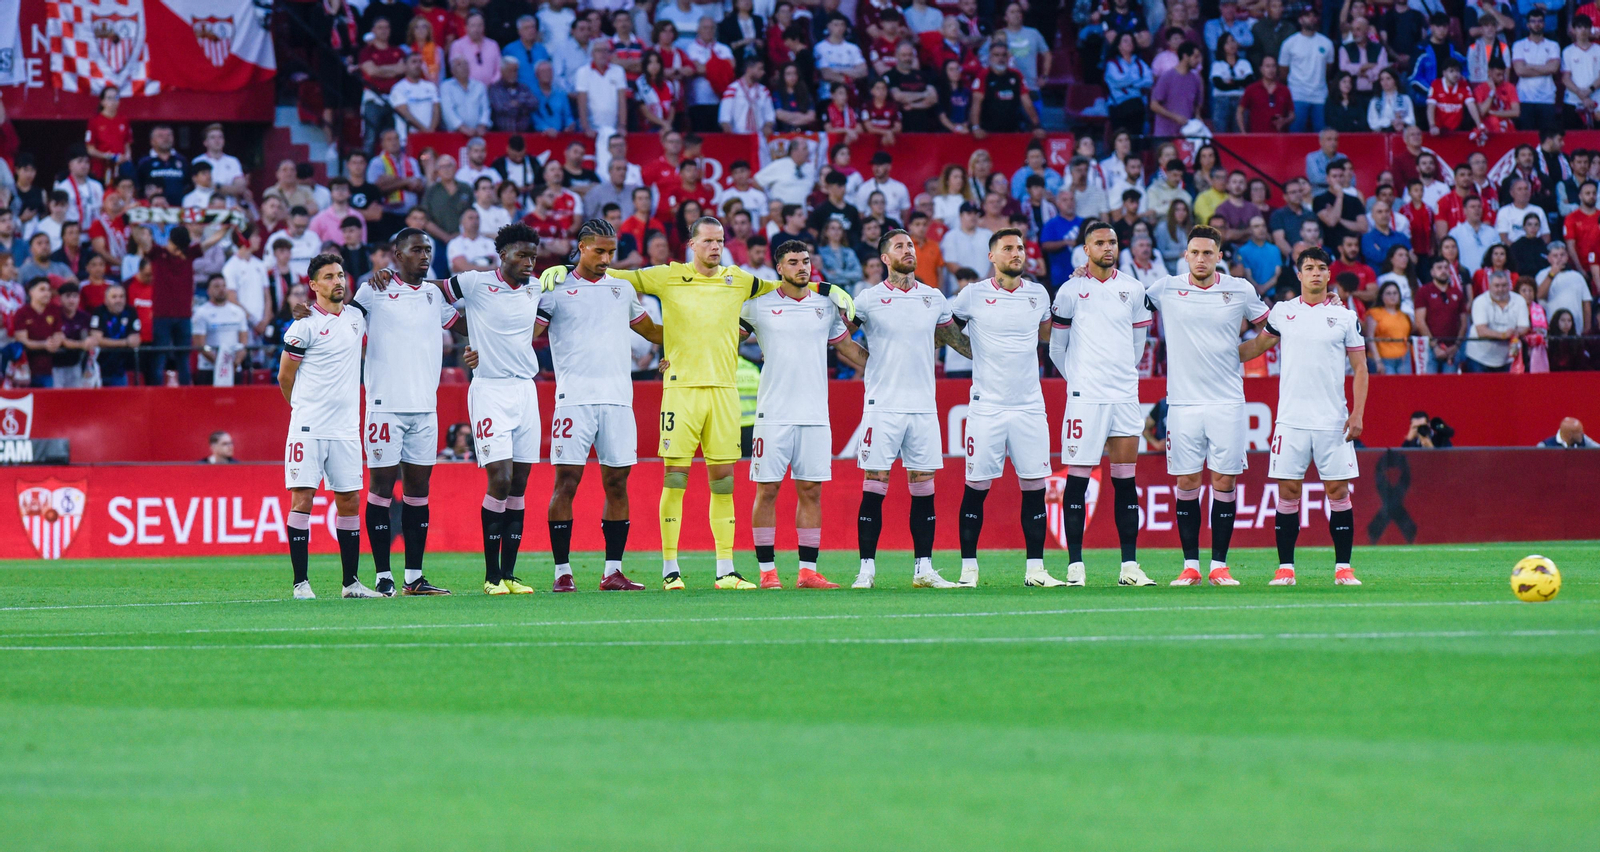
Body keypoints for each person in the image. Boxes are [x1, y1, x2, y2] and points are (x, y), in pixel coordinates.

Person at [538, 216, 853, 590]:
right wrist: (564, 267)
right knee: (675, 480)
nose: (715, 247)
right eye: (707, 241)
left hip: (723, 391)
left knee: (724, 483)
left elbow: (783, 283)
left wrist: (827, 287)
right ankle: (670, 569)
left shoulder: (739, 280)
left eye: (719, 240)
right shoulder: (667, 275)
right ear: (691, 244)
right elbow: (618, 277)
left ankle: (725, 570)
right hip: (681, 391)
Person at [374, 223, 545, 594]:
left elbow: (556, 311)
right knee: (499, 477)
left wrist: (477, 337)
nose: (530, 262)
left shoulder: (537, 287)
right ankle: (490, 576)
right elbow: (427, 290)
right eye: (522, 255)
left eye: (534, 256)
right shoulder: (474, 282)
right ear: (503, 255)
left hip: (526, 391)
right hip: (489, 390)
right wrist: (391, 277)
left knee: (520, 483)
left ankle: (510, 574)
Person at [534, 219, 663, 592]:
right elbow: (530, 334)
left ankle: (613, 571)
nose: (607, 258)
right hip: (573, 399)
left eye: (612, 252)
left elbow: (651, 331)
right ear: (581, 247)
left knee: (618, 483)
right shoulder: (554, 289)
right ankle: (562, 571)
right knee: (567, 483)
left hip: (619, 399)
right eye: (600, 251)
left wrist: (700, 333)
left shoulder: (621, 290)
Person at [1144, 226, 1272, 585]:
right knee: (1187, 480)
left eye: (1208, 253)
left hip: (1227, 400)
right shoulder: (1166, 287)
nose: (1201, 259)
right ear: (1185, 255)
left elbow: (1272, 326)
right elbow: (1122, 301)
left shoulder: (1239, 288)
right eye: (1195, 252)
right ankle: (1190, 566)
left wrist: (1241, 353)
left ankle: (1219, 565)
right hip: (1182, 402)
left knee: (1224, 480)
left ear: (1219, 256)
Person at [738, 240, 868, 589]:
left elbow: (847, 348)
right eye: (793, 262)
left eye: (806, 261)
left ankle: (807, 571)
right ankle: (767, 572)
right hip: (773, 414)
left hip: (815, 414)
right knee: (768, 490)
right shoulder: (758, 307)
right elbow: (724, 340)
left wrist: (886, 369)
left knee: (810, 490)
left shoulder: (825, 306)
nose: (802, 267)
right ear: (779, 268)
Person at [847, 229, 969, 590]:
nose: (909, 250)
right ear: (885, 258)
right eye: (900, 246)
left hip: (922, 407)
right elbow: (839, 336)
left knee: (923, 485)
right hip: (882, 405)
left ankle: (924, 570)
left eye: (911, 245)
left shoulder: (933, 298)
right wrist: (868, 362)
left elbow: (957, 342)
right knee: (875, 483)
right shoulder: (868, 299)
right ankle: (866, 570)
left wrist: (1000, 353)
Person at [1238, 247, 1368, 587]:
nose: (1314, 273)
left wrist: (1357, 413)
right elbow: (1256, 347)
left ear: (1328, 275)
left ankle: (1343, 569)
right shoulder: (1282, 312)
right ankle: (1285, 569)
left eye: (1321, 268)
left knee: (1338, 491)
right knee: (1289, 491)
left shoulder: (1344, 316)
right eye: (1308, 267)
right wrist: (1212, 354)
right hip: (1291, 420)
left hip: (1332, 419)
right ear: (1298, 274)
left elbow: (1360, 367)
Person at [945, 228, 1062, 587]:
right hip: (987, 407)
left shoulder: (1038, 294)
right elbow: (944, 327)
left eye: (1020, 248)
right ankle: (968, 570)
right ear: (992, 256)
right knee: (976, 488)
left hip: (1029, 406)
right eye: (1008, 248)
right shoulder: (973, 295)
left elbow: (1046, 334)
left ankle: (1036, 570)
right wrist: (971, 350)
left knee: (1034, 488)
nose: (1017, 253)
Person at [1048, 222, 1156, 587]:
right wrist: (1078, 381)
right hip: (1086, 398)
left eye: (1112, 242)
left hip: (1124, 396)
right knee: (1077, 479)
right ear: (1085, 249)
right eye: (1099, 242)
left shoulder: (1133, 288)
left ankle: (1129, 566)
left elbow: (1138, 345)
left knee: (1126, 480)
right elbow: (1056, 348)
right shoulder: (1070, 290)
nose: (1107, 248)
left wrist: (1121, 376)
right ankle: (1075, 566)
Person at [279, 254, 380, 599]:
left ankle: (351, 583)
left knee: (349, 500)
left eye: (340, 275)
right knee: (303, 498)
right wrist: (301, 410)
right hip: (308, 427)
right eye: (328, 277)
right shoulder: (303, 325)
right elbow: (284, 376)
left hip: (346, 429)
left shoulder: (356, 318)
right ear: (313, 285)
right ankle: (300, 584)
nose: (337, 281)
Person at [969, 41, 1043, 136]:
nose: (1001, 58)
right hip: (987, 132)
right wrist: (976, 127)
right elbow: (976, 103)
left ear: (1008, 57)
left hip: (1012, 130)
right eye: (996, 55)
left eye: (1004, 55)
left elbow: (1027, 103)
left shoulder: (1016, 75)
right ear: (990, 57)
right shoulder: (983, 75)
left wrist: (1037, 126)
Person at [1279, 8, 1333, 132]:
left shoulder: (1327, 43)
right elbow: (1283, 71)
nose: (1312, 18)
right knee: (1296, 135)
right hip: (1297, 95)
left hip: (1320, 96)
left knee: (1322, 135)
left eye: (1314, 15)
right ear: (1300, 20)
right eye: (1307, 15)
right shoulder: (1290, 43)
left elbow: (1328, 69)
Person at [1464, 270, 1529, 372]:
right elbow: (1482, 331)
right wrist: (1504, 335)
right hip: (1479, 358)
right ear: (1489, 286)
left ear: (1510, 286)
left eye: (1504, 285)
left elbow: (1524, 326)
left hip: (1507, 358)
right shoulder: (1480, 301)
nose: (1501, 289)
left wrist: (1515, 332)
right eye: (1497, 286)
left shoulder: (1519, 300)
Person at [190, 275, 250, 386]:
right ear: (208, 291)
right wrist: (220, 362)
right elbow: (200, 344)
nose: (221, 289)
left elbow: (243, 341)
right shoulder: (201, 313)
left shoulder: (238, 312)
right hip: (209, 368)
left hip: (234, 367)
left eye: (224, 286)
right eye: (216, 286)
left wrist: (236, 361)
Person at [1511, 9, 1560, 131]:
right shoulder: (1519, 45)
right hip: (1525, 97)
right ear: (1527, 25)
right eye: (1533, 21)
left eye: (1539, 21)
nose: (1536, 24)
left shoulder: (1553, 45)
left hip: (1547, 97)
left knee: (1547, 137)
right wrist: (1544, 68)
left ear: (1544, 24)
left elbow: (1554, 68)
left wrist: (1530, 66)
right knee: (1527, 137)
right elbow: (1520, 71)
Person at [89, 282, 141, 386]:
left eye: (121, 296)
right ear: (106, 300)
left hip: (121, 370)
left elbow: (135, 340)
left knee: (122, 401)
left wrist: (108, 341)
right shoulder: (99, 311)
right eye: (114, 297)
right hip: (99, 369)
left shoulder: (130, 311)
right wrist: (125, 342)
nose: (118, 300)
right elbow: (96, 340)